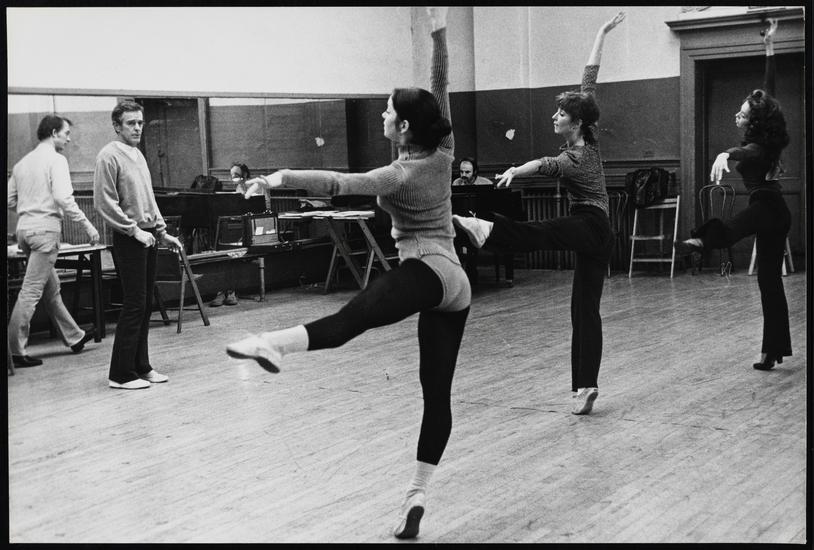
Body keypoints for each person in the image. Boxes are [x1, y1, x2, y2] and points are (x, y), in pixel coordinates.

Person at [226, 8, 469, 540]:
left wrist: (278, 177)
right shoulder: (445, 152)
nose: (382, 115)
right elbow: (440, 86)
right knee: (436, 395)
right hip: (455, 284)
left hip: (426, 269)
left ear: (403, 127)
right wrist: (438, 32)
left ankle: (272, 344)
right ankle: (416, 493)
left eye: (388, 111)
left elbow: (339, 183)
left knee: (351, 319)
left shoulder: (398, 173)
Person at [453, 12, 626, 416]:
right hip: (600, 233)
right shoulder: (591, 139)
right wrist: (601, 33)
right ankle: (586, 387)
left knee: (541, 232)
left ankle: (485, 230)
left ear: (576, 123)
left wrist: (516, 170)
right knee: (584, 310)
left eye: (560, 114)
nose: (554, 116)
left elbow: (545, 164)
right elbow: (590, 78)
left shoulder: (574, 159)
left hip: (589, 223)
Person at [675, 19, 791, 371]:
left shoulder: (759, 146)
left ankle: (699, 241)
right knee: (769, 283)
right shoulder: (764, 135)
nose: (736, 115)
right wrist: (769, 48)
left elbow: (748, 152)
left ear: (753, 121)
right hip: (773, 210)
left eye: (741, 114)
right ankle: (771, 352)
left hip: (769, 207)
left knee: (732, 230)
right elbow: (769, 90)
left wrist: (727, 153)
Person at [94, 100, 183, 390]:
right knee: (134, 303)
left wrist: (162, 232)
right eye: (131, 123)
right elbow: (104, 203)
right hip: (129, 238)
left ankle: (141, 366)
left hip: (148, 235)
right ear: (117, 126)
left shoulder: (138, 155)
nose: (137, 128)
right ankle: (120, 374)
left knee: (145, 304)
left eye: (140, 123)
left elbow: (148, 199)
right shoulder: (108, 156)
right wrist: (133, 231)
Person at [7, 115, 100, 368]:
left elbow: (9, 200)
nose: (68, 139)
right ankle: (14, 351)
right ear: (53, 133)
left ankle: (74, 337)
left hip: (25, 231)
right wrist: (87, 224)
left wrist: (30, 209)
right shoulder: (57, 160)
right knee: (31, 291)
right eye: (66, 133)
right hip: (45, 232)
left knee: (51, 288)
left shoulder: (22, 163)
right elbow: (63, 198)